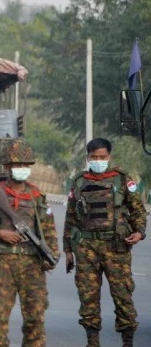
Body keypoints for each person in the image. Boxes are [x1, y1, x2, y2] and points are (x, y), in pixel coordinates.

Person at [64, 138, 146, 347]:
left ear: (109, 156)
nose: (98, 160)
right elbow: (71, 216)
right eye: (94, 157)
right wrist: (68, 250)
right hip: (87, 248)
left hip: (116, 247)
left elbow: (138, 210)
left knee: (122, 295)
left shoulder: (122, 179)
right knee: (88, 296)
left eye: (102, 157)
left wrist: (139, 232)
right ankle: (93, 341)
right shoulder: (79, 181)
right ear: (88, 157)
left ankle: (128, 341)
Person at [0, 139, 60, 347]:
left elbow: (48, 230)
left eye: (25, 165)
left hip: (32, 265)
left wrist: (52, 255)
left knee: (35, 319)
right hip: (1, 264)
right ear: (6, 166)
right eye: (17, 165)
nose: (22, 169)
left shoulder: (36, 196)